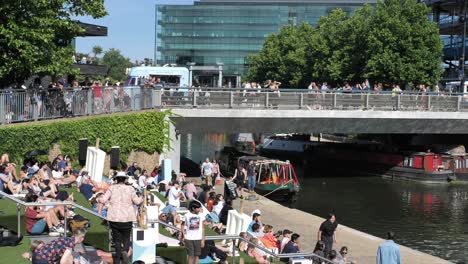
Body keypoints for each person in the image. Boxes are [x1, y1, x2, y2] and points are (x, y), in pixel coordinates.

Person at [98, 171, 143, 264]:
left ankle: (118, 260)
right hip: (127, 218)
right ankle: (125, 254)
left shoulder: (111, 188)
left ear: (116, 179)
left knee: (117, 241)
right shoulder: (130, 189)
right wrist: (142, 197)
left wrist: (98, 198)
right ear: (125, 179)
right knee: (126, 239)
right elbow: (137, 202)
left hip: (114, 218)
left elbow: (103, 200)